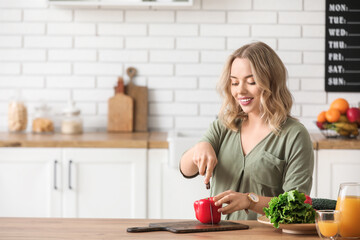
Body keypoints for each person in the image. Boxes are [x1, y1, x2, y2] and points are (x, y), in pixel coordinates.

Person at [179, 41, 314, 221]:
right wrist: (200, 147)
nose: (240, 91)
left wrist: (250, 201)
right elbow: (186, 169)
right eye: (234, 82)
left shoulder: (295, 135)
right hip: (218, 234)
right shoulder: (225, 124)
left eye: (251, 82)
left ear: (271, 83)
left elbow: (297, 205)